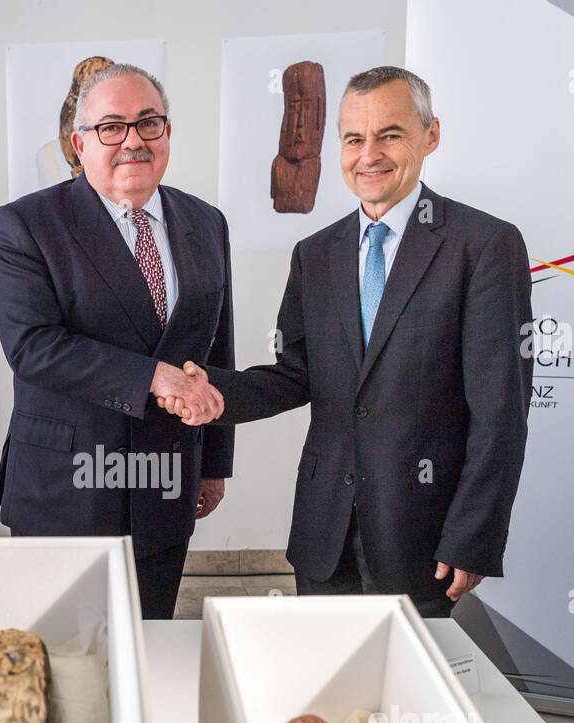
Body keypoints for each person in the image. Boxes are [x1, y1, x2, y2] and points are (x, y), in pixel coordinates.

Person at [159, 66, 533, 618]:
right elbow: (294, 374)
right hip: (323, 534)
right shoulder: (315, 253)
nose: (369, 155)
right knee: (327, 693)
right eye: (354, 139)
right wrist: (212, 392)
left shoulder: (484, 246)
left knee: (403, 698)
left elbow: (501, 411)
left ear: (431, 136)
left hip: (423, 541)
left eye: (391, 134)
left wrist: (473, 536)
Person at [0, 63, 233, 619]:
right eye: (111, 127)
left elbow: (216, 351)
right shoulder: (27, 224)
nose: (132, 141)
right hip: (65, 491)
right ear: (79, 143)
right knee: (60, 661)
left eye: (149, 123)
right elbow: (32, 346)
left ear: (167, 133)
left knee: (147, 646)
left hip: (166, 485)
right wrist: (153, 376)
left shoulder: (207, 222)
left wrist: (214, 461)